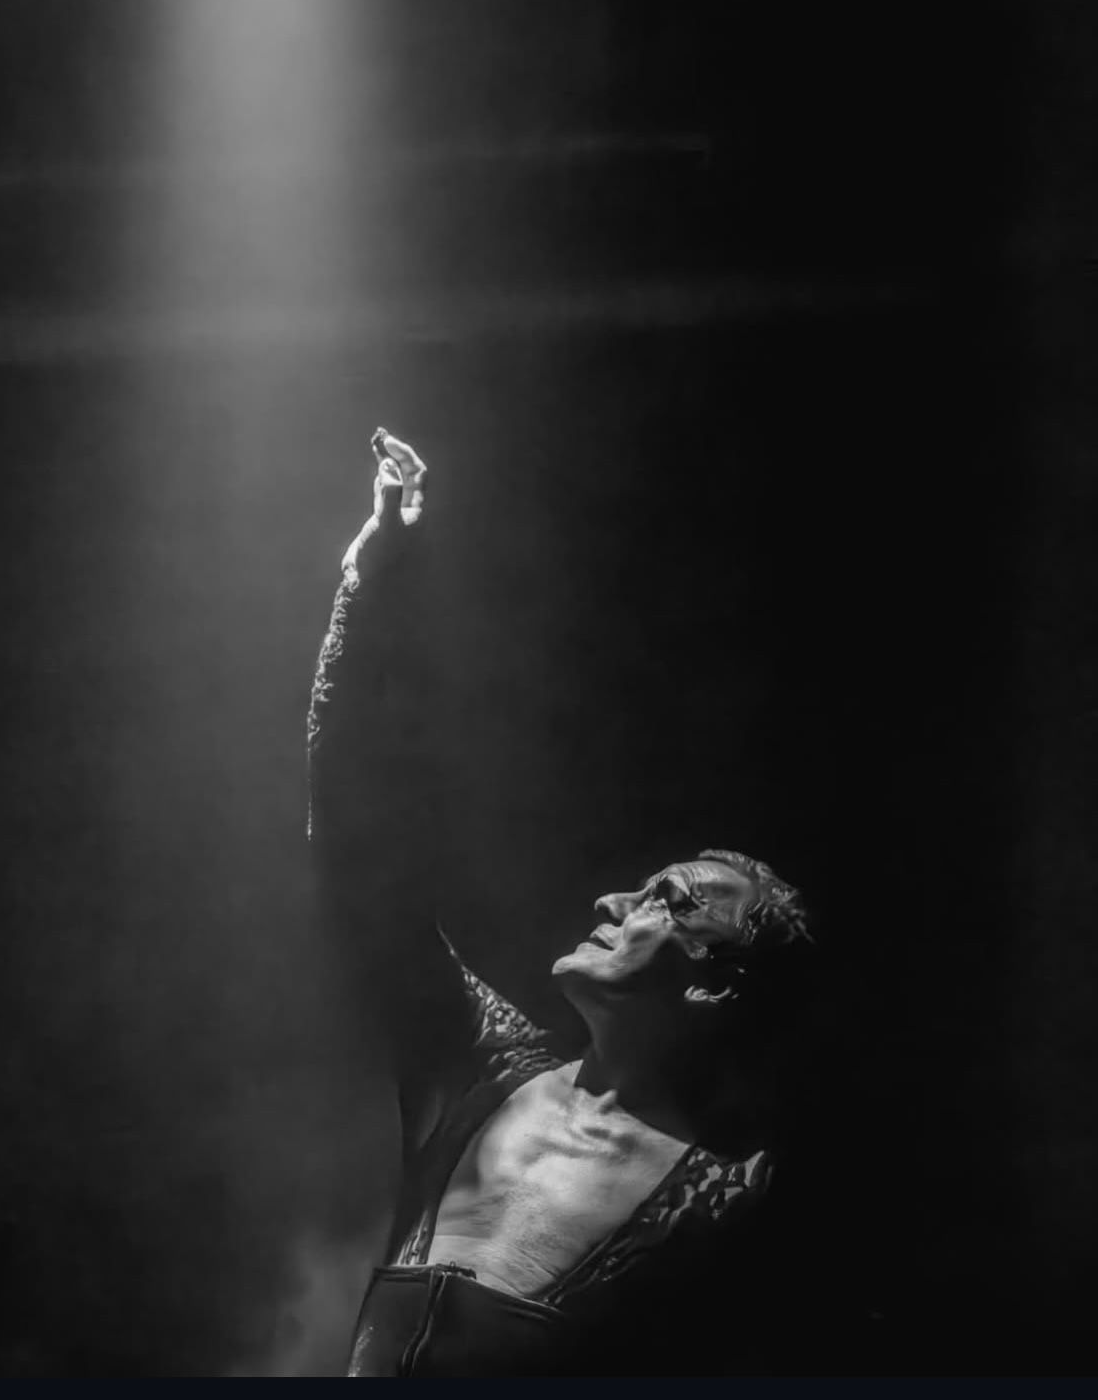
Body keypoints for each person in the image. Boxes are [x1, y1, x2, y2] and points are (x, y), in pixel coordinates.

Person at [307, 429, 819, 1377]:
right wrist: (368, 586)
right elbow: (357, 850)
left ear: (714, 987)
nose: (614, 899)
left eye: (667, 901)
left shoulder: (730, 1203)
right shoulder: (481, 1068)